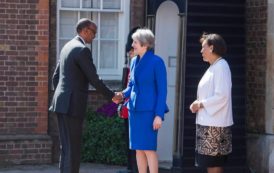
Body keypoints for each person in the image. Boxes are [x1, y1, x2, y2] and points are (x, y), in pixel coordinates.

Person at [49, 18, 120, 173]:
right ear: (85, 30)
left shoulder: (67, 47)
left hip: (61, 103)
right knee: (73, 149)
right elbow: (93, 78)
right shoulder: (82, 50)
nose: (94, 36)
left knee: (66, 148)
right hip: (72, 104)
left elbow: (55, 77)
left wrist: (61, 95)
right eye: (93, 32)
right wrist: (112, 96)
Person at [115, 28, 168, 173]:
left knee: (149, 149)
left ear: (145, 44)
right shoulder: (133, 61)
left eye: (135, 42)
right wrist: (121, 95)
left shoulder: (157, 62)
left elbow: (162, 91)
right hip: (134, 111)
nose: (132, 45)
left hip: (149, 112)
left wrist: (159, 115)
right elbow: (131, 86)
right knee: (138, 149)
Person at [189, 33, 233, 173]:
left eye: (203, 47)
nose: (201, 51)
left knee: (213, 163)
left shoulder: (221, 66)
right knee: (211, 163)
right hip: (210, 122)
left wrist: (201, 104)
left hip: (215, 125)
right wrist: (198, 102)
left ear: (212, 48)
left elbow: (222, 96)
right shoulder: (214, 67)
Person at [117, 27, 140, 173]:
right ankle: (130, 166)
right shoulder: (131, 61)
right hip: (128, 104)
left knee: (136, 141)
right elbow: (126, 83)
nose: (131, 52)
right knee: (129, 138)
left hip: (136, 106)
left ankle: (135, 168)